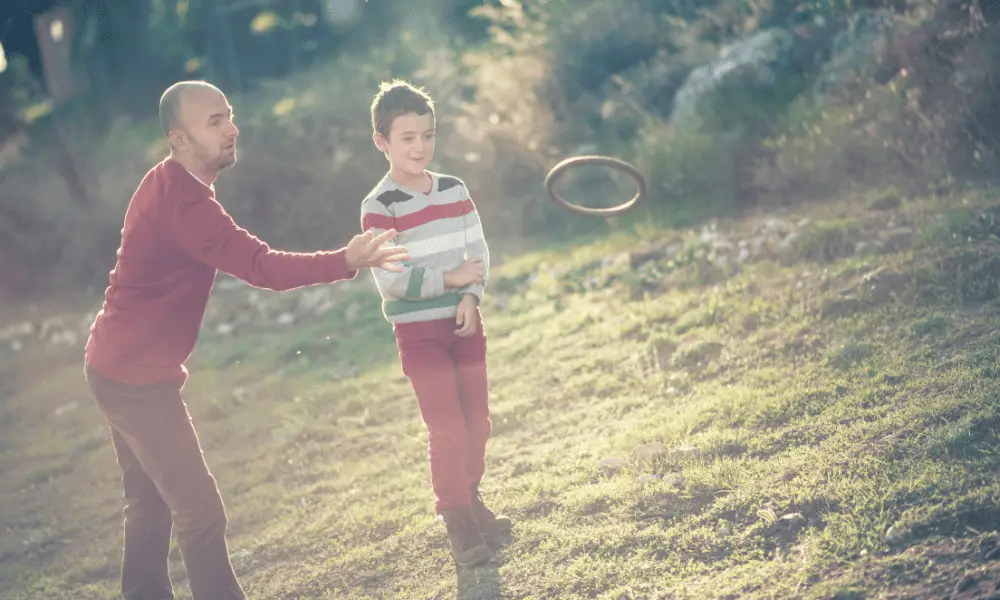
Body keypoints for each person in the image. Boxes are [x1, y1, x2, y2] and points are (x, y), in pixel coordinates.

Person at [83, 80, 409, 600]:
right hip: (132, 380)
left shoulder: (169, 183)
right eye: (214, 122)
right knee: (200, 511)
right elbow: (261, 266)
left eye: (228, 115)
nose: (232, 128)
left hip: (115, 367)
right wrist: (345, 260)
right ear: (180, 139)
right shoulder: (185, 206)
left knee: (150, 503)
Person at [359, 79, 513, 569]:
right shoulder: (379, 207)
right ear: (382, 142)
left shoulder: (454, 190)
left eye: (427, 134)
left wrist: (470, 294)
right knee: (446, 428)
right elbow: (392, 281)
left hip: (464, 324)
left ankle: (472, 499)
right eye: (407, 138)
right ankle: (458, 525)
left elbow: (479, 253)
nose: (420, 146)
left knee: (477, 422)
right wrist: (450, 277)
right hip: (419, 333)